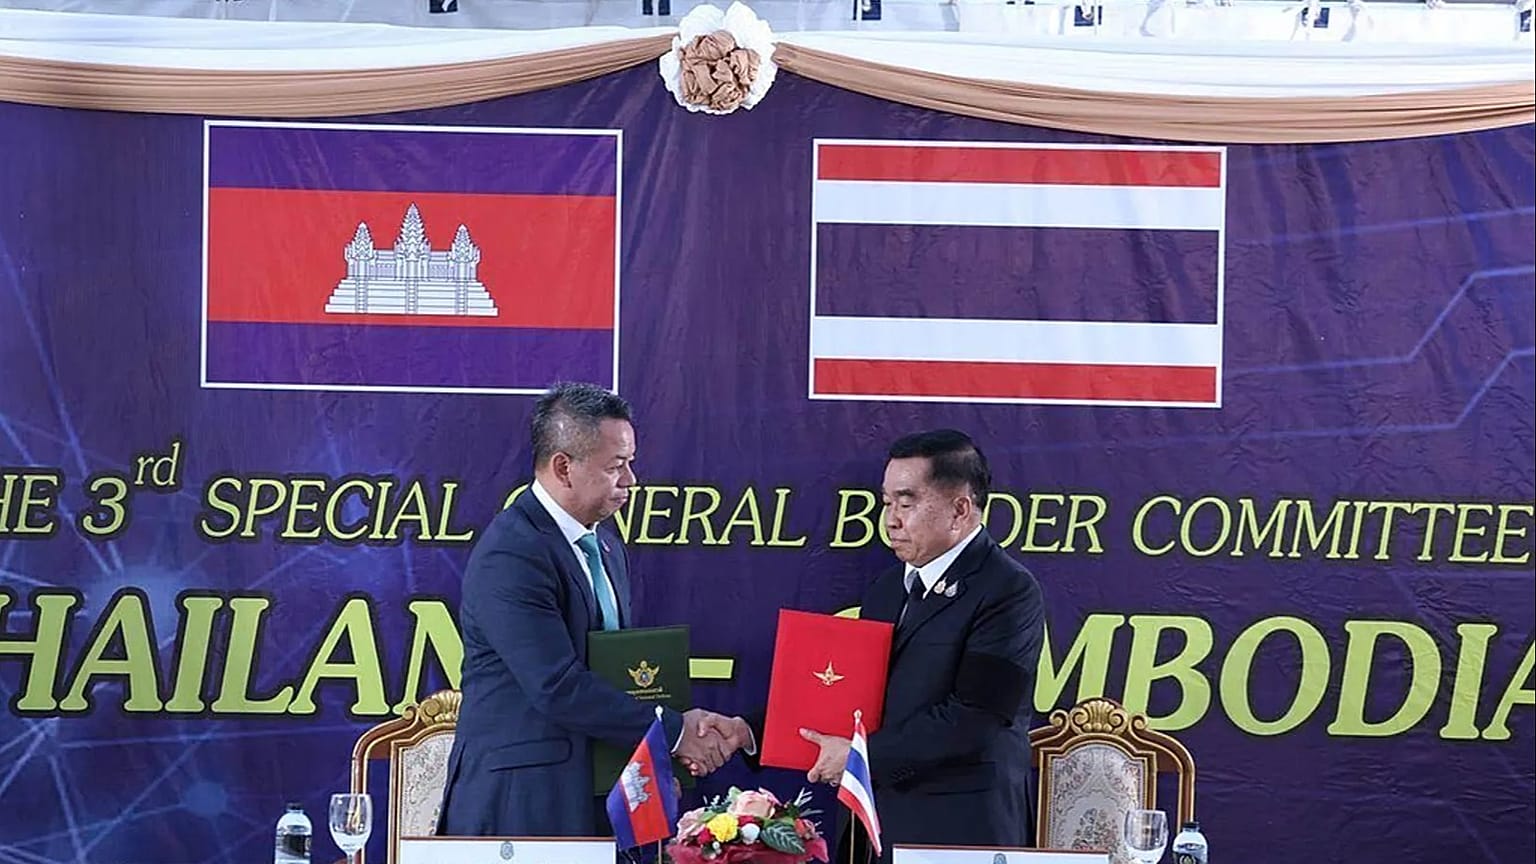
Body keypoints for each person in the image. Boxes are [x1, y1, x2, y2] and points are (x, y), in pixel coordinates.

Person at [704, 429, 1045, 858]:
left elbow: (976, 717)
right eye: (887, 503)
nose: (891, 520)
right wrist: (749, 731)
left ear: (960, 509)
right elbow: (849, 694)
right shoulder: (887, 589)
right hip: (873, 823)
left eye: (907, 503)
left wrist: (859, 757)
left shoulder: (1008, 590)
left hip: (958, 829)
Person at [438, 382, 733, 837]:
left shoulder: (607, 545)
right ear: (563, 467)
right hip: (523, 806)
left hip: (594, 795)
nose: (631, 480)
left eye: (630, 463)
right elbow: (556, 684)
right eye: (617, 466)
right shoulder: (513, 553)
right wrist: (672, 733)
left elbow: (614, 674)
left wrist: (653, 757)